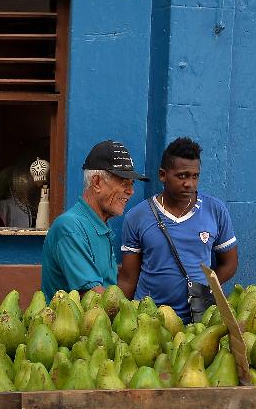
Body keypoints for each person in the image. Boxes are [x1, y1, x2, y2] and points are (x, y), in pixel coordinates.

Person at [117, 137, 238, 322]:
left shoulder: (215, 210)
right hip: (148, 320)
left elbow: (229, 264)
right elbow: (127, 278)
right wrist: (121, 319)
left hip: (197, 321)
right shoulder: (137, 216)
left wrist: (206, 290)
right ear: (162, 175)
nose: (189, 183)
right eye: (182, 176)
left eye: (194, 176)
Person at [41, 139, 147, 298]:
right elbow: (93, 296)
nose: (130, 191)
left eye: (132, 184)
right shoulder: (70, 227)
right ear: (96, 182)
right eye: (124, 183)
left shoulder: (99, 224)